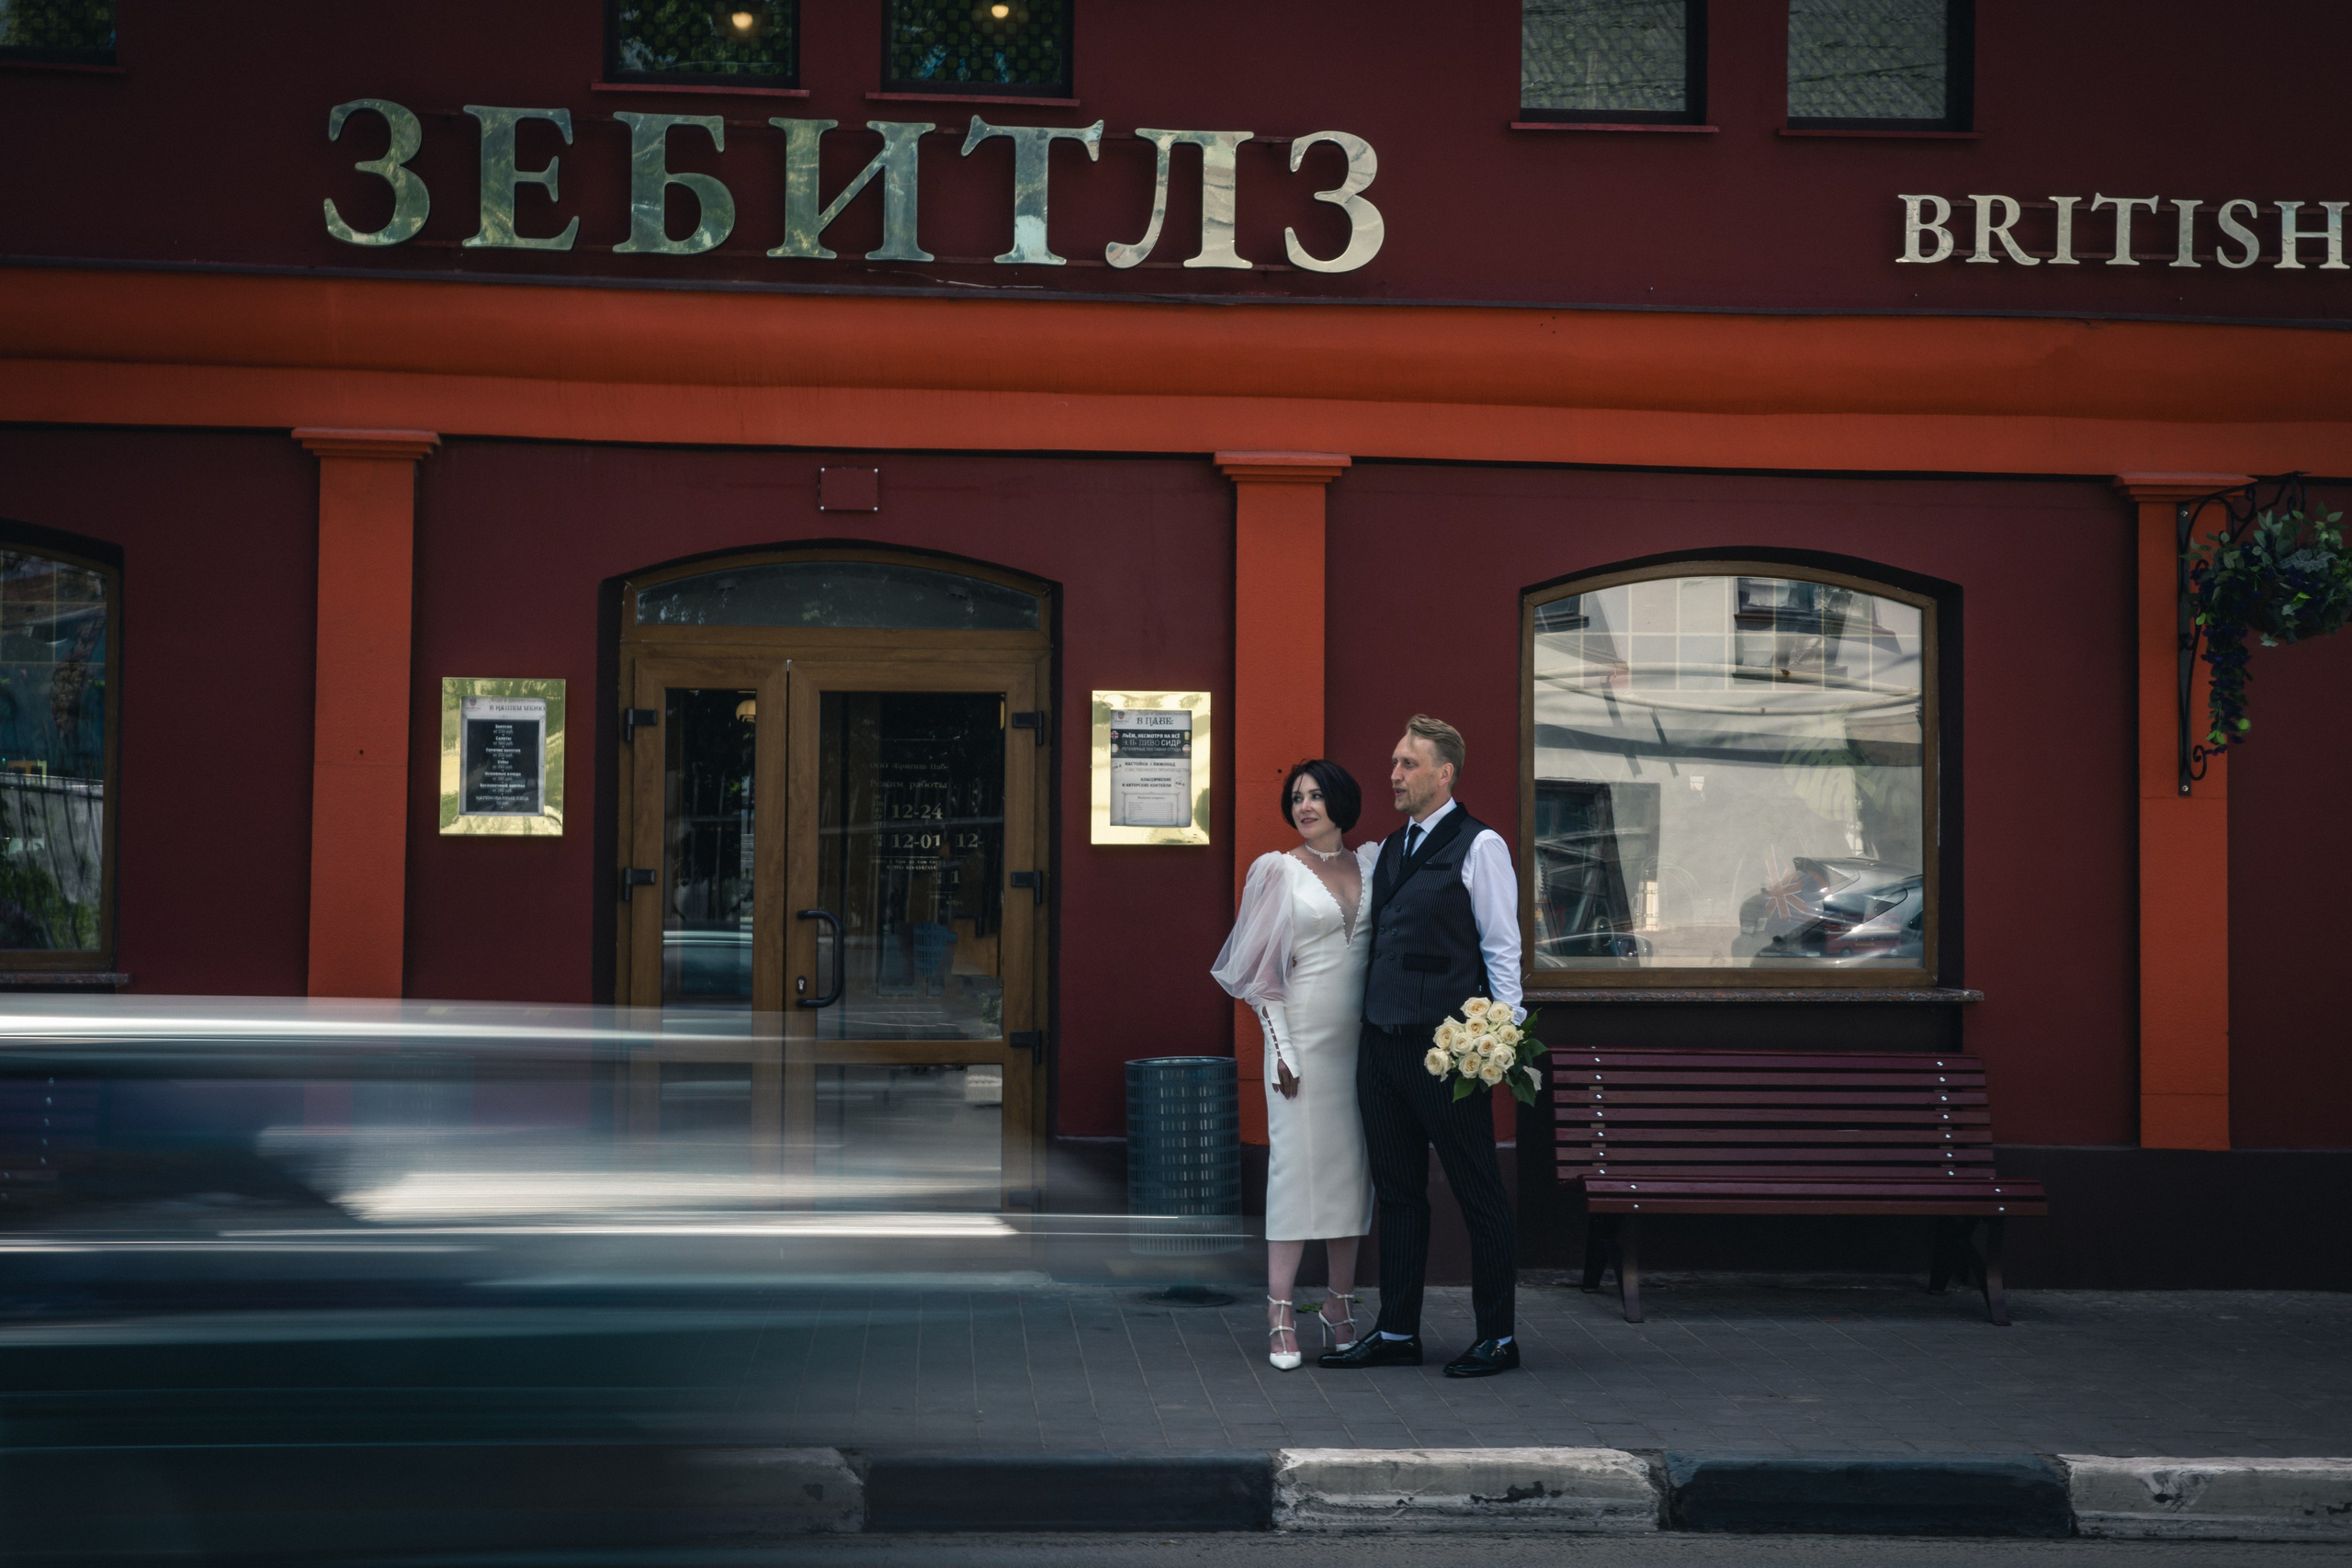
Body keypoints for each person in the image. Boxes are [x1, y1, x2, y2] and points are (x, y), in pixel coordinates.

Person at [1319, 715, 1525, 1379]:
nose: (1395, 775)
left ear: (1445, 773)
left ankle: (1497, 1336)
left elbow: (1501, 948)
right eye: (1394, 762)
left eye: (1409, 764)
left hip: (1449, 1053)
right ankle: (1399, 1328)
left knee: (1478, 1193)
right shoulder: (1391, 846)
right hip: (1381, 1048)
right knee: (1399, 1192)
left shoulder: (1479, 844)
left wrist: (1498, 1040)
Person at [1211, 759, 1377, 1371]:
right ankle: (1280, 1311)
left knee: (1351, 1176)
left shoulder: (1374, 865)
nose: (1305, 805)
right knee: (1292, 1172)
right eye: (1296, 797)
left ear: (1342, 800)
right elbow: (1261, 977)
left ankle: (1339, 1306)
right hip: (1299, 1043)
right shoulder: (1278, 871)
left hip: (1360, 1048)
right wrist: (1281, 1048)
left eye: (1316, 795)